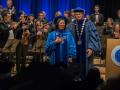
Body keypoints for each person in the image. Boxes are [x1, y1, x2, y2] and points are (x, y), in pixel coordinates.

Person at [68, 7, 101, 80]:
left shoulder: (89, 23)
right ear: (74, 15)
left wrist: (90, 47)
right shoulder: (71, 24)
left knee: (86, 67)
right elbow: (68, 39)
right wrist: (69, 51)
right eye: (76, 14)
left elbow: (94, 37)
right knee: (75, 66)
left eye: (79, 14)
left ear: (83, 14)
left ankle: (86, 80)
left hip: (86, 49)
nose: (78, 15)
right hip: (75, 49)